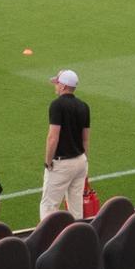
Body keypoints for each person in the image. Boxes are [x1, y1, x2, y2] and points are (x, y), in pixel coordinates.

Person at [40, 69, 91, 221]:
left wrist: (48, 162)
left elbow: (52, 137)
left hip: (62, 164)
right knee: (76, 208)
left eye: (57, 83)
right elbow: (85, 139)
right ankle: (78, 238)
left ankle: (47, 241)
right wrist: (85, 161)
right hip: (80, 162)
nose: (55, 86)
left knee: (49, 206)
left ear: (63, 87)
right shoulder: (84, 106)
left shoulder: (57, 105)